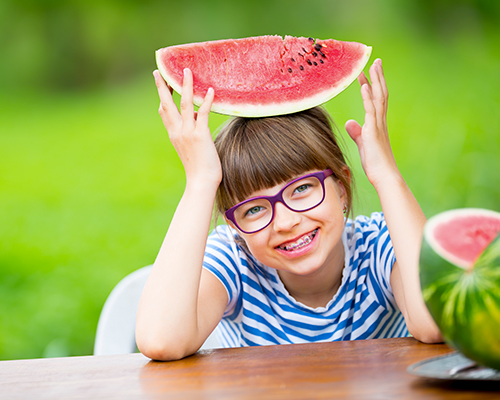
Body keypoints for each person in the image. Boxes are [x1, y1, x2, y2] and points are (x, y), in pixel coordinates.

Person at [136, 59, 443, 361]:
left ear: (341, 187)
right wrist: (201, 182)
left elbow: (436, 322)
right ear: (235, 227)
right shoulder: (235, 262)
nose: (285, 222)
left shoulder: (380, 246)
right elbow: (161, 340)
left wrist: (386, 175)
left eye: (301, 189)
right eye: (253, 209)